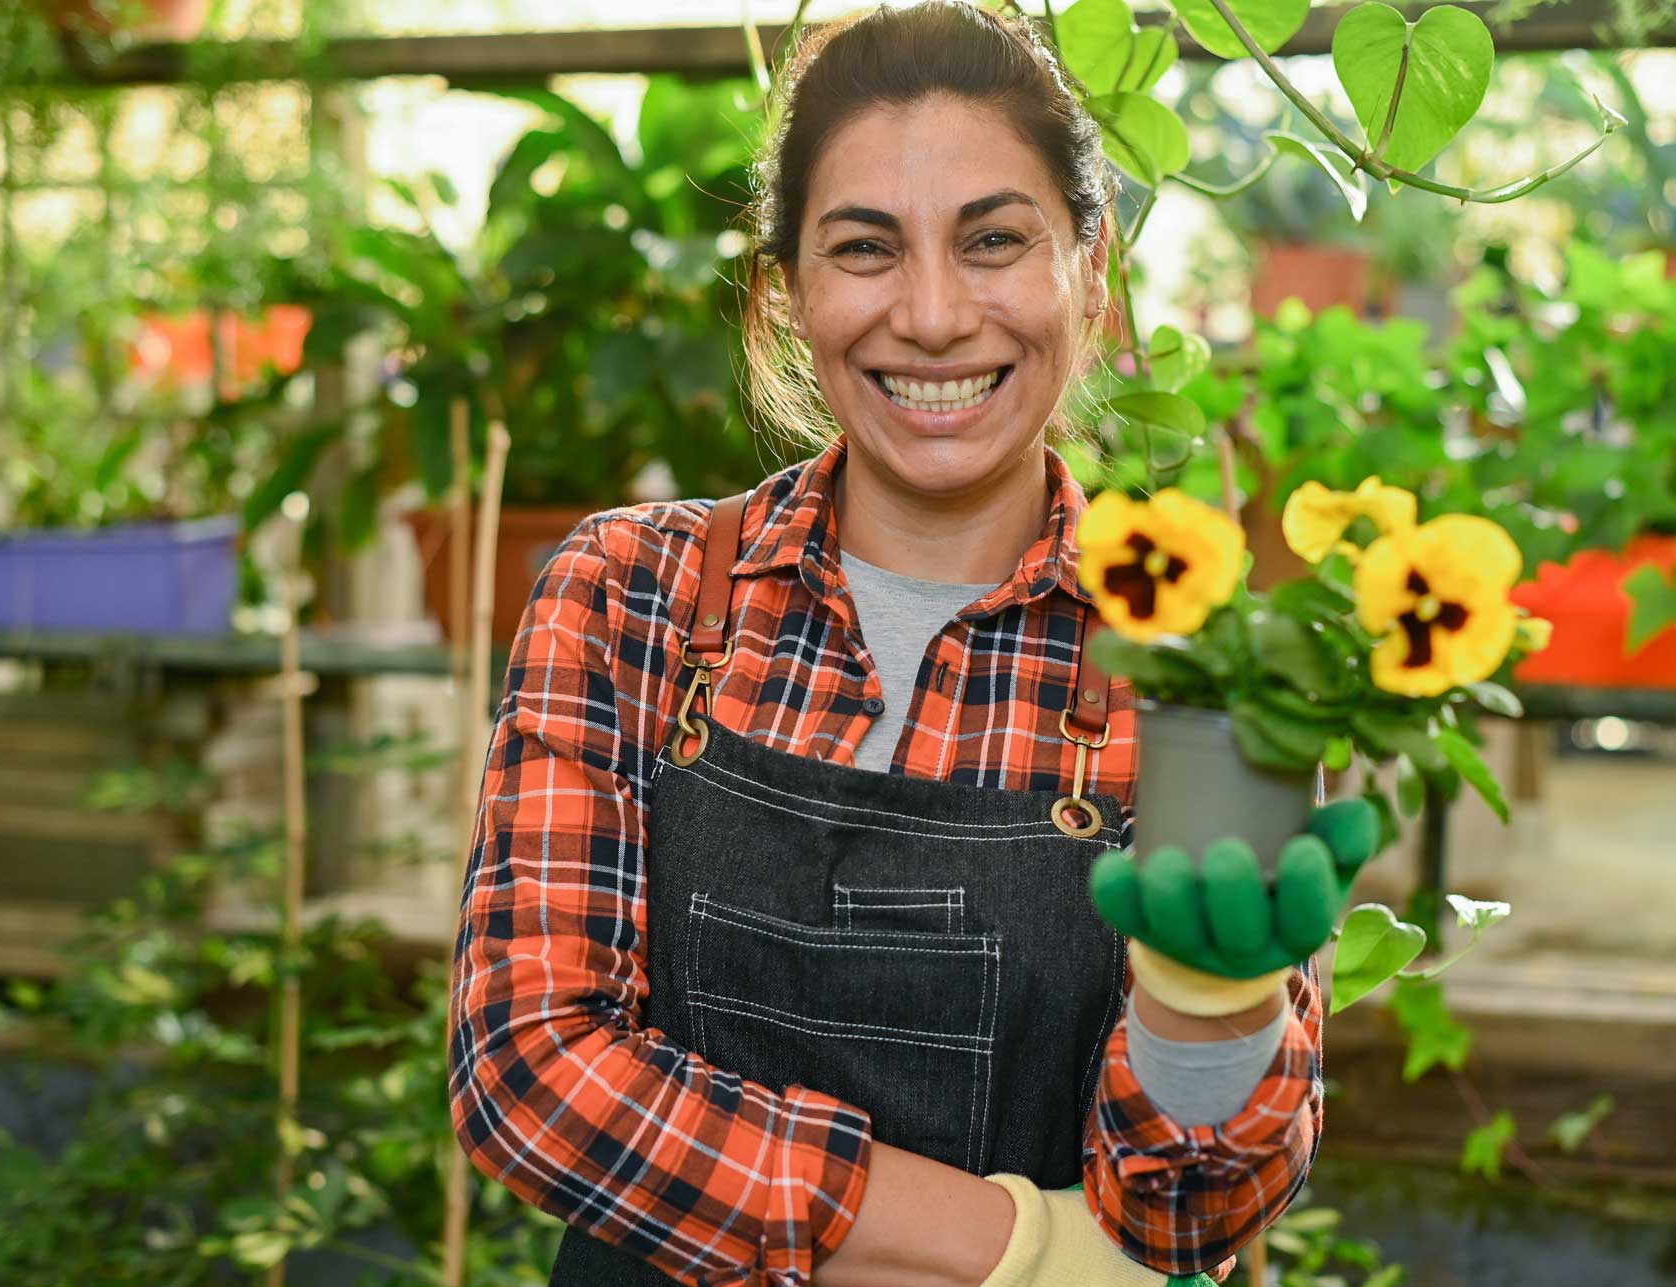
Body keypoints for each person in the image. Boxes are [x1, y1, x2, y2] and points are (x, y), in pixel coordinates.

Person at [448, 4, 1379, 1284]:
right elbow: (531, 1071)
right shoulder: (635, 598)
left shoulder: (1198, 665)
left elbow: (1189, 1218)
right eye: (866, 249)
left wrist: (1207, 1015)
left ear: (1090, 275)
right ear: (786, 296)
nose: (934, 316)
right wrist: (1017, 1253)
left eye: (994, 241)